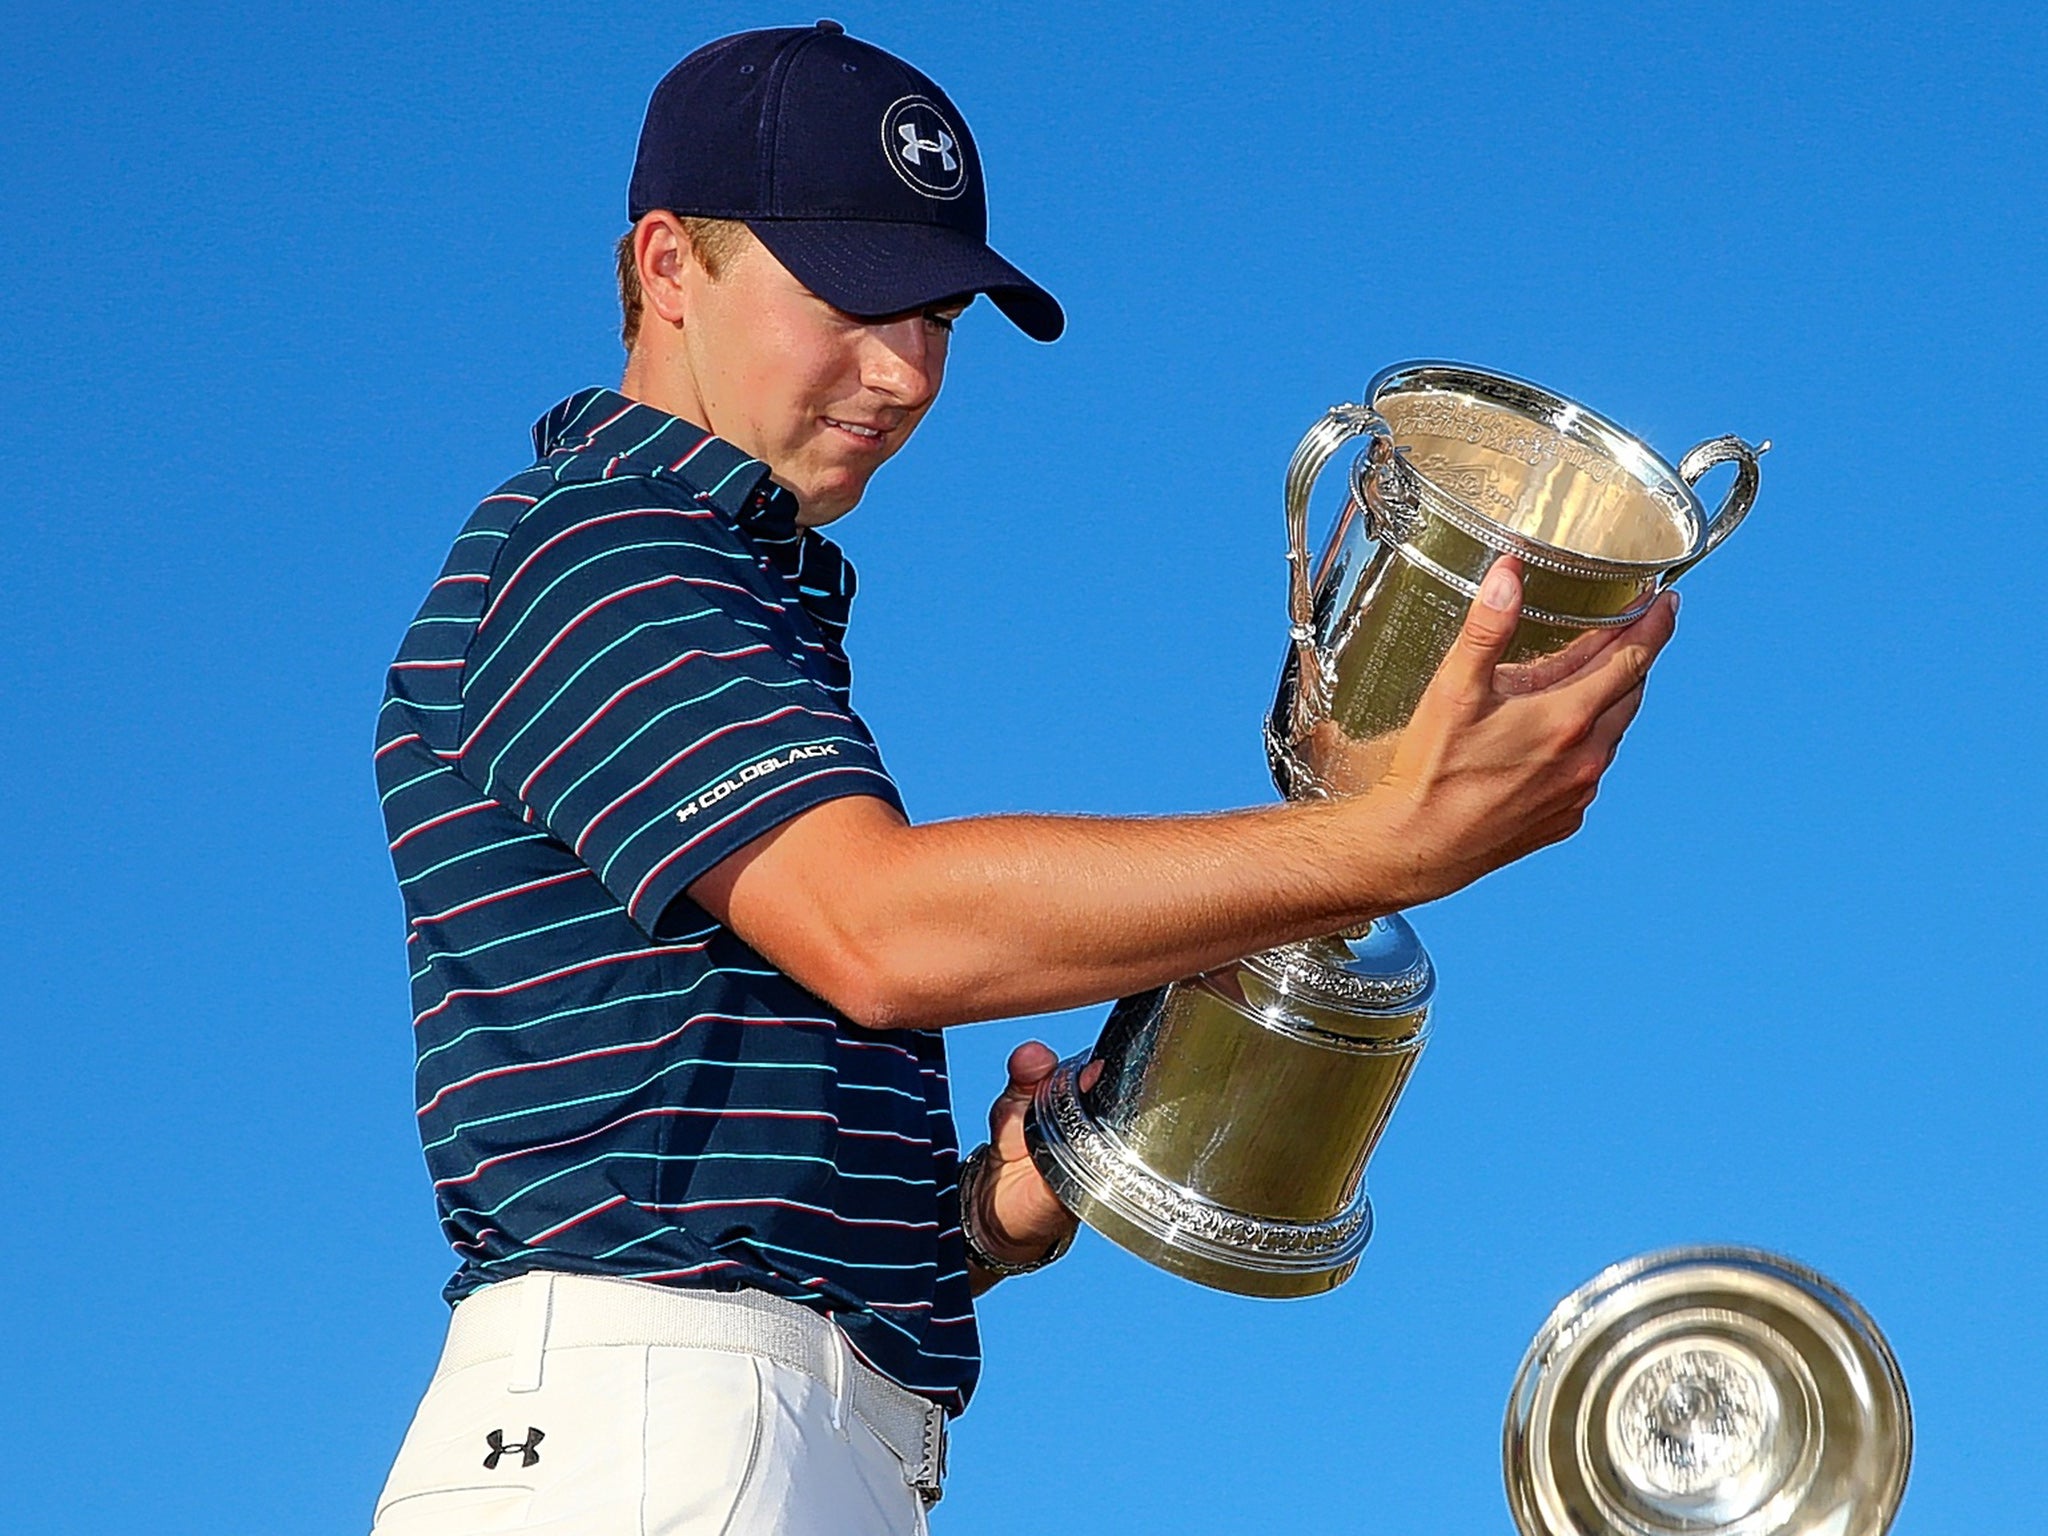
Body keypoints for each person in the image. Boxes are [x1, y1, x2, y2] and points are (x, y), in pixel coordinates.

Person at [369, 21, 1678, 1535]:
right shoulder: (602, 549)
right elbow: (882, 933)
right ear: (668, 266)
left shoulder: (717, 583)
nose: (905, 370)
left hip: (747, 1436)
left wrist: (989, 1214)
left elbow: (713, 1131)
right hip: (655, 1431)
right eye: (854, 301)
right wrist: (1391, 844)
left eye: (938, 316)